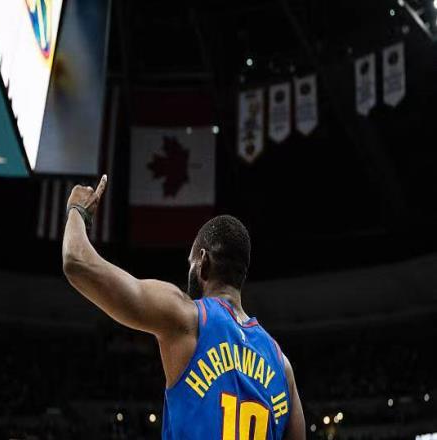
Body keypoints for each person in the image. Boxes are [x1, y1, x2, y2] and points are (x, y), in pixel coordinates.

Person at [62, 175, 306, 440]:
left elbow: (76, 263)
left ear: (203, 262)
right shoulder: (282, 366)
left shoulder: (188, 318)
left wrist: (77, 211)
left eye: (190, 263)